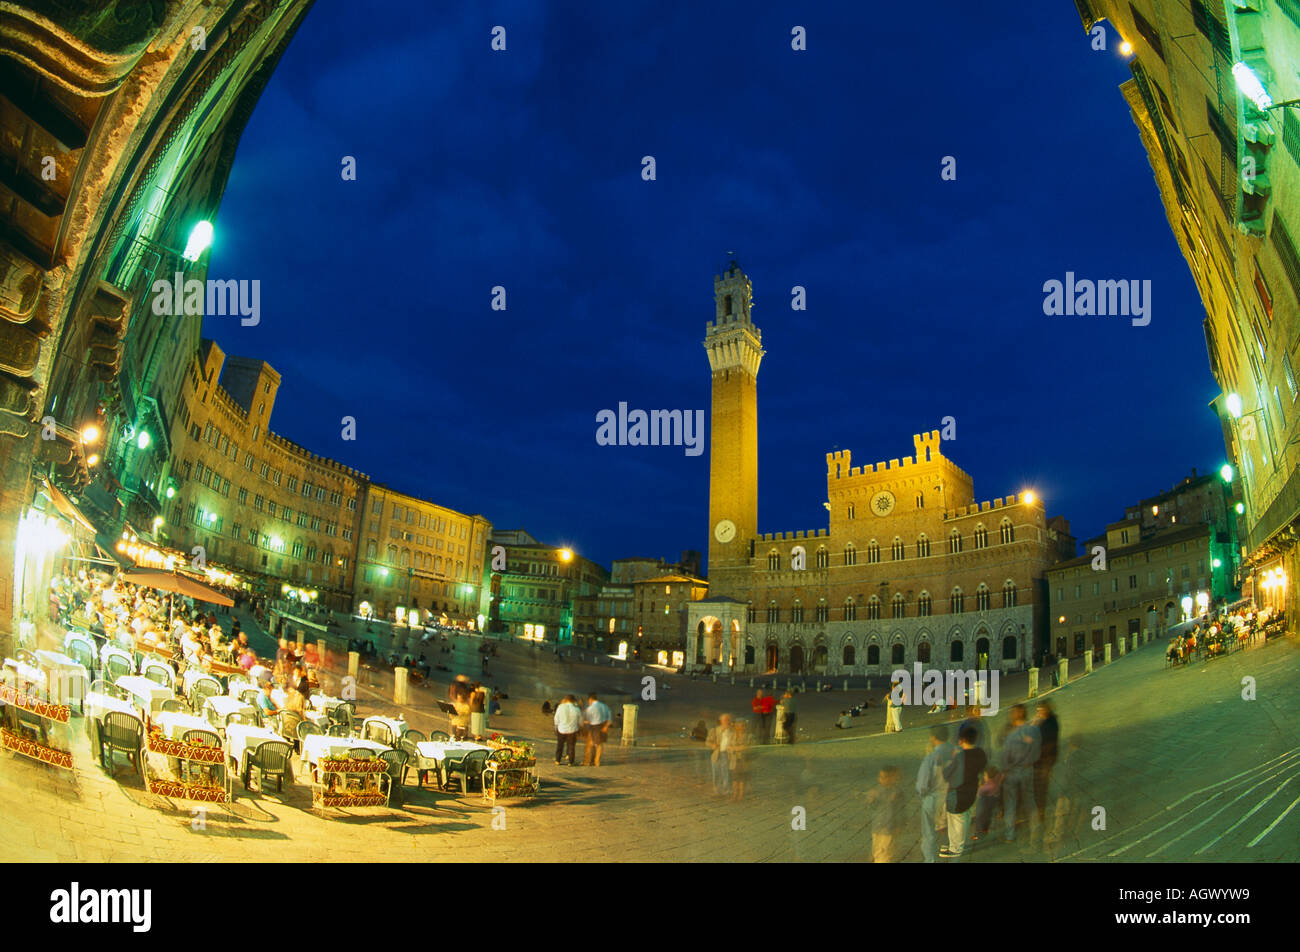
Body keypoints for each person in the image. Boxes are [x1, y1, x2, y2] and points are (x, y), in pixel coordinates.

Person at [939, 725, 987, 859]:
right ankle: (957, 844)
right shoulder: (980, 752)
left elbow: (946, 774)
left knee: (956, 820)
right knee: (964, 817)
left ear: (962, 740)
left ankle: (956, 848)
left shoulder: (960, 756)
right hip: (971, 790)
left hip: (958, 793)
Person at [1000, 704, 1041, 844]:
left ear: (1015, 715)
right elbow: (1037, 750)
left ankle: (1010, 835)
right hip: (1028, 769)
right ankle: (1035, 828)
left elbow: (1006, 756)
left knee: (1010, 803)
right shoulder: (1034, 730)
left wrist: (1004, 770)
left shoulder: (1011, 736)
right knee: (1030, 799)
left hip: (1012, 771)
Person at [915, 725, 953, 863]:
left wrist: (922, 795)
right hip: (952, 795)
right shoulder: (956, 751)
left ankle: (930, 860)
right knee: (951, 828)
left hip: (934, 797)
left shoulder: (931, 757)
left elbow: (922, 785)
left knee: (929, 833)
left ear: (933, 737)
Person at [866, 766, 905, 863]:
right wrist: (871, 800)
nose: (881, 780)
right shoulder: (878, 791)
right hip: (877, 826)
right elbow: (872, 807)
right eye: (880, 777)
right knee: (877, 851)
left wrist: (899, 825)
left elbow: (899, 810)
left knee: (885, 853)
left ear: (893, 778)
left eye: (885, 777)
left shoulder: (897, 792)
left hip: (889, 827)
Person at [1033, 701, 1060, 825]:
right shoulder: (1047, 722)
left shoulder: (1050, 724)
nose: (1038, 713)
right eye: (1038, 710)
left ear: (1046, 710)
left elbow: (1043, 740)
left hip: (1045, 759)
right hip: (1040, 759)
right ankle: (1038, 808)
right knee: (1038, 785)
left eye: (1040, 710)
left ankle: (1040, 811)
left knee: (1042, 785)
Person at [972, 765, 1003, 842]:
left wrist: (979, 785)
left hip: (984, 801)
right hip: (992, 801)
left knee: (980, 816)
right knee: (987, 816)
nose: (984, 777)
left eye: (985, 775)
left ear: (989, 776)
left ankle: (978, 834)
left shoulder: (986, 787)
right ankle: (985, 831)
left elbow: (979, 793)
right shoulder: (996, 783)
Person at [582, 693, 612, 766]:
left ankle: (587, 761)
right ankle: (597, 761)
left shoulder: (590, 708)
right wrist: (606, 726)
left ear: (590, 699)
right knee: (599, 745)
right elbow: (609, 718)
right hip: (603, 726)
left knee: (590, 745)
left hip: (593, 727)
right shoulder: (604, 706)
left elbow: (587, 719)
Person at [707, 714, 734, 795]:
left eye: (728, 719)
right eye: (725, 719)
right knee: (716, 773)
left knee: (726, 773)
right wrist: (712, 745)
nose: (727, 721)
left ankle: (726, 790)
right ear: (721, 721)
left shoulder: (733, 731)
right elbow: (707, 741)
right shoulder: (714, 730)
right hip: (716, 754)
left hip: (727, 754)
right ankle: (717, 790)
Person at [553, 695, 582, 765]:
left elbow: (556, 719)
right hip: (572, 730)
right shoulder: (576, 709)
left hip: (561, 729)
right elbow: (580, 720)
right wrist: (579, 727)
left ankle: (558, 760)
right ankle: (570, 761)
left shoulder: (560, 707)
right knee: (571, 746)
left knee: (560, 745)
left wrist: (556, 727)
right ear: (573, 701)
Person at [729, 721, 750, 802]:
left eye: (741, 726)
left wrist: (734, 748)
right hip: (734, 760)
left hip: (743, 760)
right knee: (734, 778)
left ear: (744, 727)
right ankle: (734, 795)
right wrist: (737, 748)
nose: (739, 728)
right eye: (737, 726)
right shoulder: (732, 736)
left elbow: (746, 747)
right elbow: (728, 747)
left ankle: (740, 795)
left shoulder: (747, 736)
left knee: (741, 779)